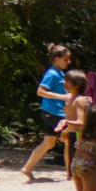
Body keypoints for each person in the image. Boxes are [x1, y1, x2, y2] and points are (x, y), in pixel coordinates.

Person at [21, 44, 75, 182]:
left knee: (49, 143)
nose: (68, 62)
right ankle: (71, 174)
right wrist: (62, 97)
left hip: (51, 112)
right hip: (54, 113)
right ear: (57, 59)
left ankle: (27, 168)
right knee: (68, 140)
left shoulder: (59, 73)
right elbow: (40, 91)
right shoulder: (52, 74)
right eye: (66, 59)